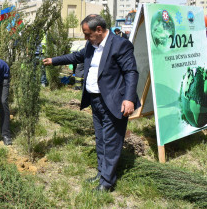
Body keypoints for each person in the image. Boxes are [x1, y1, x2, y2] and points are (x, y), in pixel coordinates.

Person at [43, 14, 140, 192]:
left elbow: (131, 72)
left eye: (88, 34)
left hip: (115, 101)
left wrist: (128, 98)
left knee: (111, 141)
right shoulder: (91, 45)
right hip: (95, 100)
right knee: (101, 139)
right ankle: (102, 173)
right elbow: (76, 57)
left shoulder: (120, 45)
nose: (86, 38)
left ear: (99, 30)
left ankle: (107, 183)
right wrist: (53, 61)